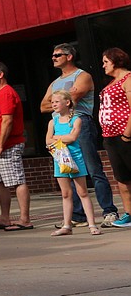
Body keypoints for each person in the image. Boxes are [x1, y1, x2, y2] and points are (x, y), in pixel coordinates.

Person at [40, 44, 119, 227]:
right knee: (67, 168)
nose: (53, 57)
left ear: (69, 56)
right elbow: (43, 106)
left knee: (92, 168)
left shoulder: (82, 76)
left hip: (79, 123)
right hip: (59, 127)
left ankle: (109, 211)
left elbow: (73, 100)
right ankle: (78, 216)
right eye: (52, 55)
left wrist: (60, 101)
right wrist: (61, 102)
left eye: (57, 54)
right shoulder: (55, 83)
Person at [45, 90, 101, 236]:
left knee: (82, 192)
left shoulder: (76, 119)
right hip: (60, 159)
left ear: (67, 102)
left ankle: (92, 224)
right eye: (52, 102)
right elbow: (47, 140)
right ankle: (66, 225)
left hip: (75, 158)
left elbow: (73, 137)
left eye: (56, 101)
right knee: (65, 193)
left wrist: (57, 137)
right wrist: (63, 137)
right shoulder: (53, 121)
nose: (54, 104)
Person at [0, 62, 32, 231]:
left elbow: (7, 120)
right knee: (0, 182)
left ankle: (24, 219)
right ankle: (5, 218)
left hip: (9, 145)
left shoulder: (6, 93)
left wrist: (0, 143)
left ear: (0, 74)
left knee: (17, 180)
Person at [98, 47, 131, 227]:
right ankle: (129, 213)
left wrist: (127, 133)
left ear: (116, 60)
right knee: (122, 178)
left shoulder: (128, 79)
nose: (103, 66)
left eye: (105, 62)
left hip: (124, 135)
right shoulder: (111, 82)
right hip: (110, 136)